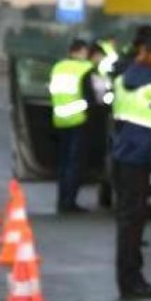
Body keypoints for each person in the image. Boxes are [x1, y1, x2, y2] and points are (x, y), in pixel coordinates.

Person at [111, 33, 151, 299]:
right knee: (133, 225)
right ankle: (131, 281)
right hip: (140, 159)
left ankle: (130, 277)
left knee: (129, 223)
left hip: (120, 156)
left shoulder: (121, 81)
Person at [48, 39, 94, 213]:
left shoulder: (58, 68)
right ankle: (70, 202)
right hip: (78, 120)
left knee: (63, 163)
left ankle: (61, 200)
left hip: (60, 119)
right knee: (75, 164)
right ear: (80, 51)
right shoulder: (84, 69)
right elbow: (89, 98)